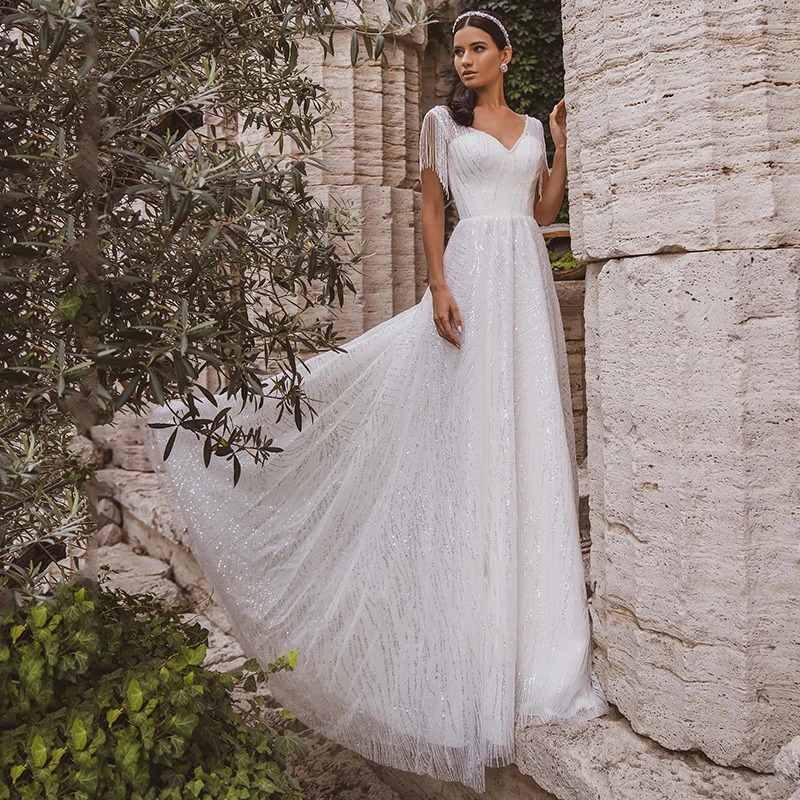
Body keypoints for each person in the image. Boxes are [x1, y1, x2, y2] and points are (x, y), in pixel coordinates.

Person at [145, 8, 609, 793]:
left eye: (477, 49)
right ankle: (209, 434)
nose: (464, 61)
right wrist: (439, 285)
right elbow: (431, 208)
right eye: (457, 50)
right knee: (469, 444)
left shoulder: (533, 126)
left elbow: (538, 215)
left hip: (525, 282)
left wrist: (560, 146)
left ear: (505, 55)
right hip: (471, 278)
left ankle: (540, 647)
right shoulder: (440, 124)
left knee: (529, 438)